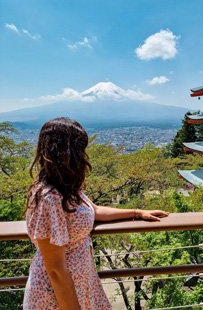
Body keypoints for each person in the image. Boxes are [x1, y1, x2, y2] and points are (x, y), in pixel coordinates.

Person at [23, 117, 169, 310]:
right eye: (79, 149)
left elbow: (95, 211)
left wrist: (137, 212)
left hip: (82, 284)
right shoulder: (48, 197)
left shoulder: (67, 187)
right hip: (56, 294)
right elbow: (56, 270)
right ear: (66, 153)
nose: (83, 156)